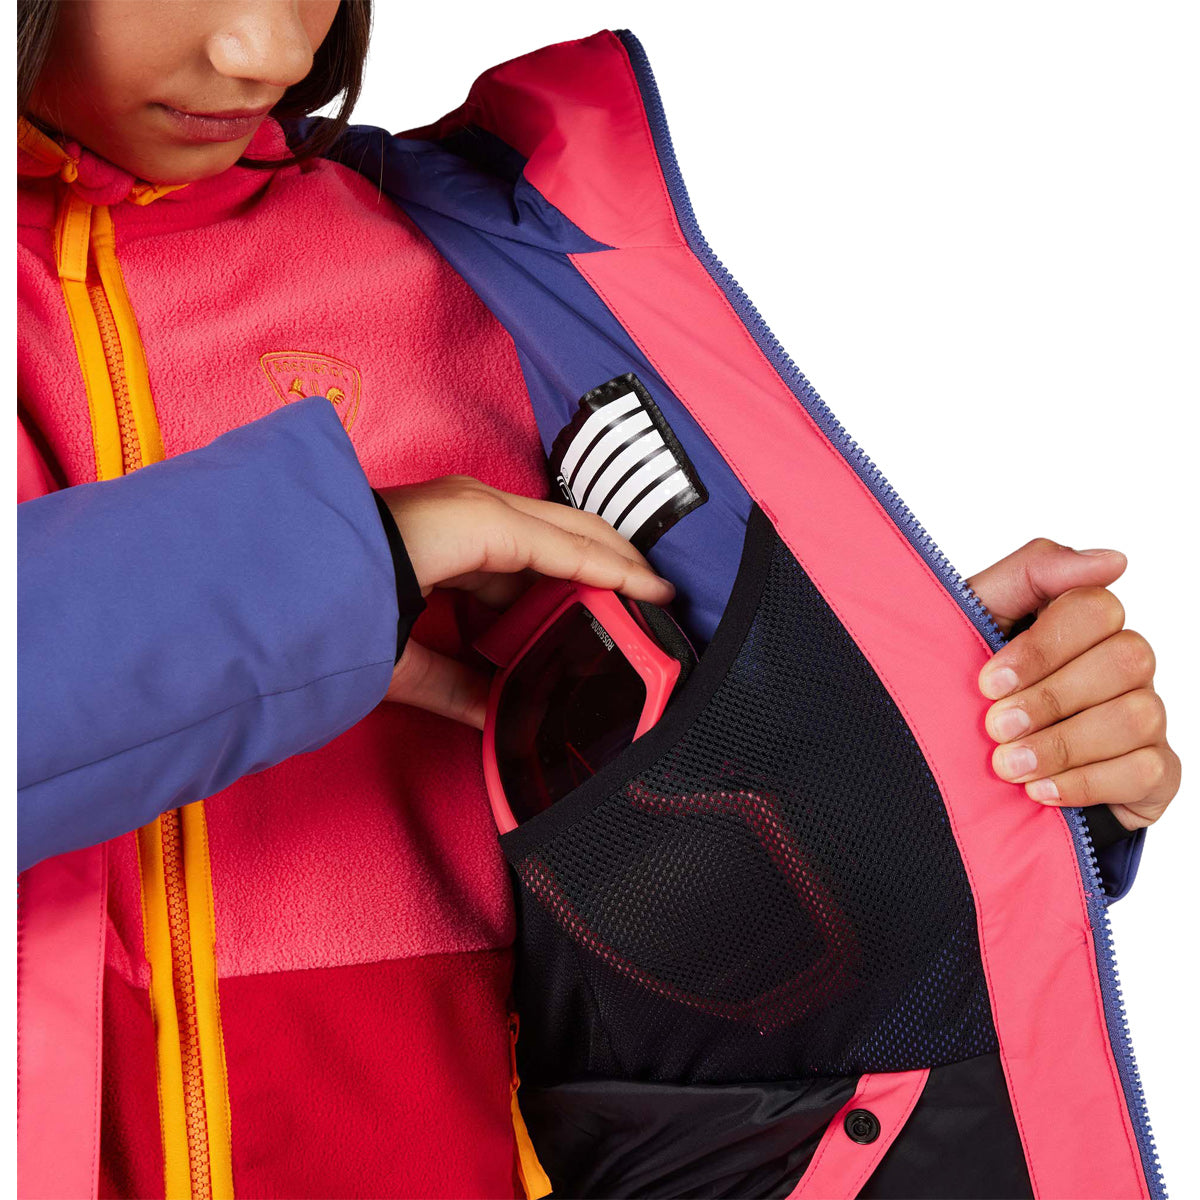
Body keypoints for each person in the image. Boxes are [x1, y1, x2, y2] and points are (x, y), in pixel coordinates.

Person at [16, 2, 1182, 1197]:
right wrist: (352, 555)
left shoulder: (483, 268)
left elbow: (706, 916)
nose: (268, 52)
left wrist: (939, 739)